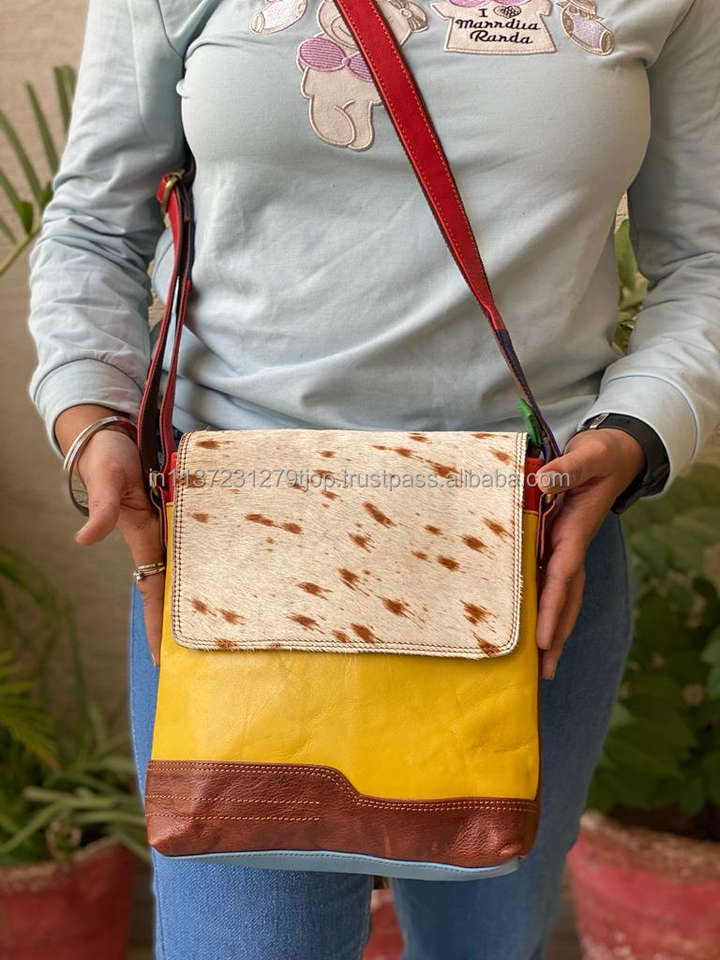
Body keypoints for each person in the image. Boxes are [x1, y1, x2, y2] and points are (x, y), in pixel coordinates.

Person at [26, 0, 720, 957]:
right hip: (240, 565)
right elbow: (94, 229)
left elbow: (706, 259)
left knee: (483, 942)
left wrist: (639, 432)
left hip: (529, 557)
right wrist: (91, 422)